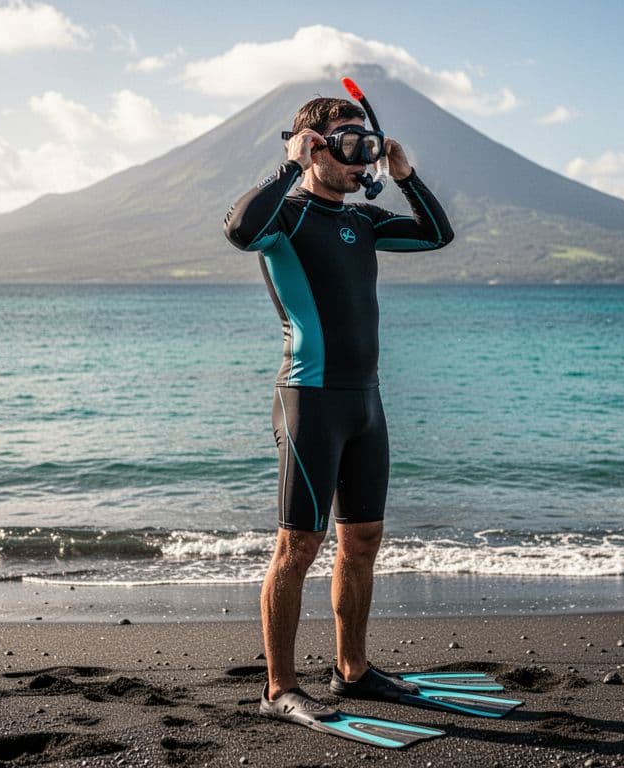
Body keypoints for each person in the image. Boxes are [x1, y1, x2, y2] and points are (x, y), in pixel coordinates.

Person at [223, 94, 454, 722]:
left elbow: (437, 233)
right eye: (348, 145)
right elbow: (240, 229)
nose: (362, 161)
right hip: (310, 401)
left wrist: (404, 174)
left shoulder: (363, 223)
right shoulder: (287, 219)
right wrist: (287, 167)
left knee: (363, 541)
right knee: (298, 546)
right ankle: (278, 688)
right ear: (316, 146)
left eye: (367, 146)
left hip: (366, 405)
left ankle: (351, 672)